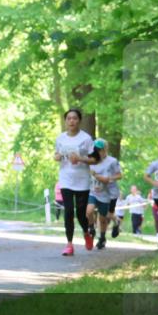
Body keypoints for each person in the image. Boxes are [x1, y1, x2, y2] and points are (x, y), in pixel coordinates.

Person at [53, 108, 96, 255]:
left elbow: (94, 159)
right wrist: (57, 157)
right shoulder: (60, 138)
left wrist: (80, 159)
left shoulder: (86, 138)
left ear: (79, 121)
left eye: (75, 118)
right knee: (69, 211)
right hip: (66, 179)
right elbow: (56, 154)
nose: (71, 121)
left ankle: (86, 232)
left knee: (81, 213)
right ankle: (69, 244)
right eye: (69, 118)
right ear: (66, 121)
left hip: (82, 180)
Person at [85, 139, 122, 249]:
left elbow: (119, 175)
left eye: (100, 150)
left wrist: (108, 178)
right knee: (89, 211)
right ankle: (91, 228)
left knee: (105, 217)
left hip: (109, 193)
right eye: (96, 150)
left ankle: (104, 236)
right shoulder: (91, 160)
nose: (98, 152)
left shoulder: (112, 161)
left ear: (106, 149)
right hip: (94, 191)